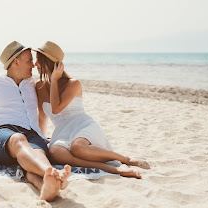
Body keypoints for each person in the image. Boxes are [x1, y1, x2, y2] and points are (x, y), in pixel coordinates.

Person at [0, 41, 71, 201]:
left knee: (37, 153)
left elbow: (42, 115)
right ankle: (54, 173)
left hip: (31, 134)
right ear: (15, 62)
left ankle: (46, 187)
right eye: (29, 61)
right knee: (19, 140)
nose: (33, 65)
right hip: (1, 134)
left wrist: (41, 136)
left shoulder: (33, 84)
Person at [34, 41, 150, 179]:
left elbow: (56, 108)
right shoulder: (39, 86)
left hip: (83, 125)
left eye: (38, 60)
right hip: (62, 132)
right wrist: (40, 140)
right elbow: (42, 118)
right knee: (55, 153)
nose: (35, 64)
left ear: (49, 62)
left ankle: (126, 159)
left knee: (77, 147)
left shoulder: (73, 84)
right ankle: (107, 168)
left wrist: (53, 80)